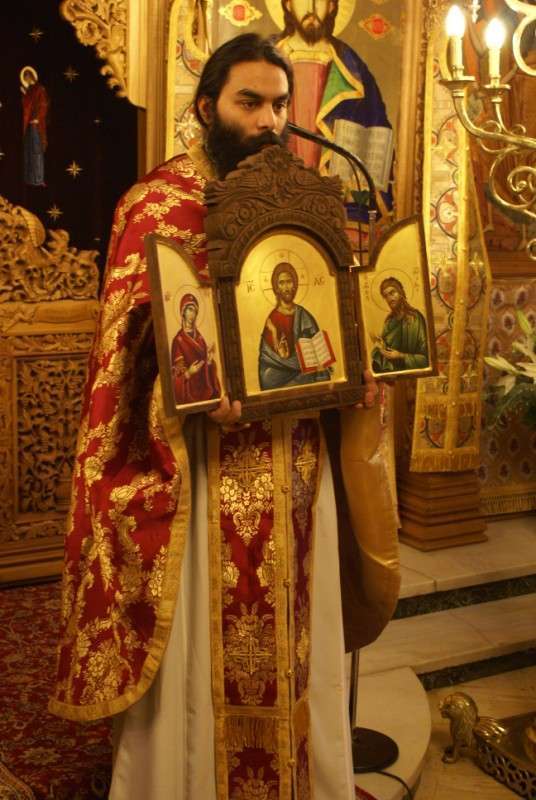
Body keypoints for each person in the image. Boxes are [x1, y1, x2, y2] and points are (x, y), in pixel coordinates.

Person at [49, 33, 400, 800]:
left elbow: (331, 327)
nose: (270, 120)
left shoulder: (310, 203)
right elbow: (122, 366)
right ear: (208, 107)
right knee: (204, 657)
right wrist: (194, 391)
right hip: (201, 476)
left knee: (295, 641)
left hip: (296, 463)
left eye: (279, 104)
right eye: (251, 102)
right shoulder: (156, 205)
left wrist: (359, 374)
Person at [275, 0, 393, 214]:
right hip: (275, 196)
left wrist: (362, 192)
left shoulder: (352, 67)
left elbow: (375, 129)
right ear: (288, 4)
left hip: (332, 206)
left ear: (331, 6)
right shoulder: (265, 58)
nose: (311, 9)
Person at [259, 261, 332, 389]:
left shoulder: (304, 315)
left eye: (289, 281)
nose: (286, 287)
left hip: (304, 369)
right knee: (267, 378)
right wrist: (280, 350)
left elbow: (318, 350)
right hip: (280, 370)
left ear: (295, 285)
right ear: (276, 288)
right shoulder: (272, 319)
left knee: (315, 373)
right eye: (281, 283)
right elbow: (266, 358)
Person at [372, 276, 429, 373]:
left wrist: (401, 356)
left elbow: (425, 359)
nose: (389, 298)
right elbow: (386, 349)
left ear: (401, 292)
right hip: (391, 373)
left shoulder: (414, 318)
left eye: (392, 293)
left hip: (411, 373)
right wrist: (380, 346)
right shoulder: (389, 321)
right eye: (386, 296)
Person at [171, 292, 220, 404]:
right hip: (188, 393)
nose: (192, 314)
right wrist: (189, 372)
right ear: (183, 311)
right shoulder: (178, 341)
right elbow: (175, 376)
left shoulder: (200, 338)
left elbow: (206, 366)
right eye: (190, 310)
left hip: (204, 390)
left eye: (195, 311)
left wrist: (209, 361)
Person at [20, 66, 48, 187]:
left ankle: (38, 179)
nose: (26, 78)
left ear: (31, 76)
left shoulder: (39, 89)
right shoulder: (28, 91)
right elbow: (25, 107)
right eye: (24, 77)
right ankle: (29, 179)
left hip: (35, 125)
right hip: (28, 125)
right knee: (28, 151)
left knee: (36, 151)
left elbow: (43, 104)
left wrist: (37, 118)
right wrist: (24, 94)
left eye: (27, 76)